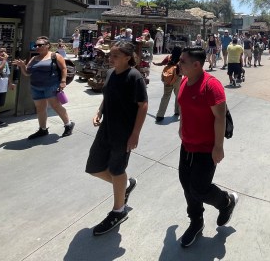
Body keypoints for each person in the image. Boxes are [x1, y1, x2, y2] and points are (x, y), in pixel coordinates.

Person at [176, 46, 237, 248]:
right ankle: (196, 221)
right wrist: (181, 126)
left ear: (196, 64)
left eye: (183, 61)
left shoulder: (212, 86)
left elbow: (220, 118)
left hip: (206, 148)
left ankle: (226, 202)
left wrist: (218, 147)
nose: (179, 63)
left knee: (199, 188)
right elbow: (183, 106)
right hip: (187, 145)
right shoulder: (184, 81)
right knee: (187, 185)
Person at [86, 41, 148, 236]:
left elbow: (143, 105)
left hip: (124, 132)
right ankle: (126, 186)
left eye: (115, 56)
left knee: (116, 169)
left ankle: (118, 211)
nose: (110, 58)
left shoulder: (134, 77)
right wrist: (99, 111)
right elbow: (108, 96)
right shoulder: (111, 73)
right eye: (110, 55)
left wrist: (135, 134)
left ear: (127, 57)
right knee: (94, 167)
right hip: (106, 128)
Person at [13, 36, 75, 139]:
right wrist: (22, 66)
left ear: (47, 46)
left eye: (40, 45)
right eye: (36, 45)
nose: (37, 47)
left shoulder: (55, 56)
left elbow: (64, 69)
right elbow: (27, 73)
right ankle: (43, 129)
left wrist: (63, 81)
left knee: (56, 106)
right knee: (40, 108)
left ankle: (68, 124)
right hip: (36, 87)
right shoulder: (34, 58)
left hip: (51, 86)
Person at [152, 46, 182, 122]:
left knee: (166, 96)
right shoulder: (181, 59)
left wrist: (155, 63)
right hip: (177, 79)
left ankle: (160, 115)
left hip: (168, 78)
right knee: (178, 95)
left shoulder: (169, 57)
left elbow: (162, 63)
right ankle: (177, 111)